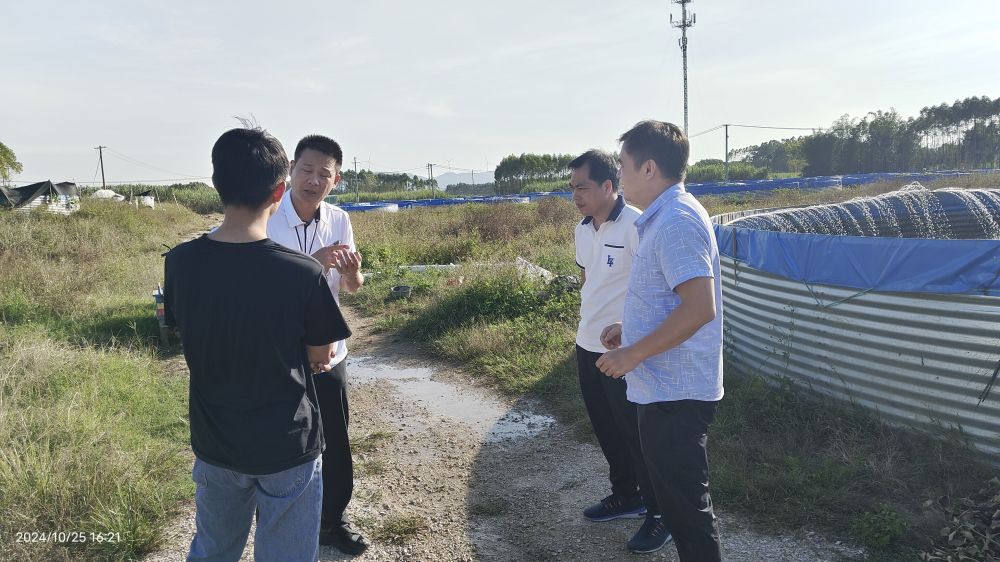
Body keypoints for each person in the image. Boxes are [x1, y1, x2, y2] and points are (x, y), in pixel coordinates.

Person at [164, 126, 350, 561]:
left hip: (215, 440)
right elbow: (321, 356)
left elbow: (182, 327)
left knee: (213, 549)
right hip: (287, 445)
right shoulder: (303, 272)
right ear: (279, 190)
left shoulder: (180, 262)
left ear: (216, 184)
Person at [596, 120, 725, 562]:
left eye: (623, 165)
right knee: (677, 505)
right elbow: (672, 299)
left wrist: (634, 352)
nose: (620, 175)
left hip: (677, 393)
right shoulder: (664, 217)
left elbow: (699, 307)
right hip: (665, 387)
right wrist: (629, 330)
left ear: (648, 168)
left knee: (686, 512)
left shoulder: (675, 221)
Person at [266, 134, 369, 555]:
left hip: (330, 352)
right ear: (291, 169)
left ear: (336, 180)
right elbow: (262, 284)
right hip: (282, 352)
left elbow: (353, 286)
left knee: (335, 439)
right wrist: (315, 262)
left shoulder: (339, 219)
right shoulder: (268, 217)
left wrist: (351, 272)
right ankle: (286, 519)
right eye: (306, 170)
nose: (313, 180)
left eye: (323, 174)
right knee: (284, 440)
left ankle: (333, 521)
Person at [570, 149, 670, 553]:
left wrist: (630, 330)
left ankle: (660, 513)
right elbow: (588, 280)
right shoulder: (582, 230)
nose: (575, 195)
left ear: (608, 185)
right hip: (587, 344)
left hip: (624, 350)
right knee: (607, 428)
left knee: (637, 433)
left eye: (582, 187)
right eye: (572, 188)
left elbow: (657, 287)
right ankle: (626, 495)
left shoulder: (636, 226)